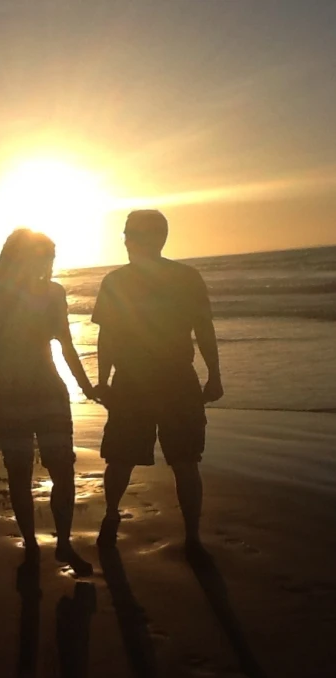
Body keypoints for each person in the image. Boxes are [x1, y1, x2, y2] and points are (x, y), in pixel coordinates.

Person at [92, 210, 223, 555]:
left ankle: (119, 518)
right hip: (171, 380)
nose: (125, 240)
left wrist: (103, 381)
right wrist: (214, 375)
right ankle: (183, 534)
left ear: (152, 238)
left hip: (142, 381)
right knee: (174, 460)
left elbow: (108, 337)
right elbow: (203, 330)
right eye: (125, 233)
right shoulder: (184, 277)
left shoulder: (118, 281)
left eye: (130, 234)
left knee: (151, 459)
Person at [0, 228, 95, 576]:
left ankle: (63, 542)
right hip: (11, 396)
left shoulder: (53, 293)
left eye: (48, 258)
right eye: (40, 256)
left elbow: (65, 342)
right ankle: (31, 545)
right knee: (20, 474)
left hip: (49, 391)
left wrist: (87, 387)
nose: (45, 264)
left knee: (63, 470)